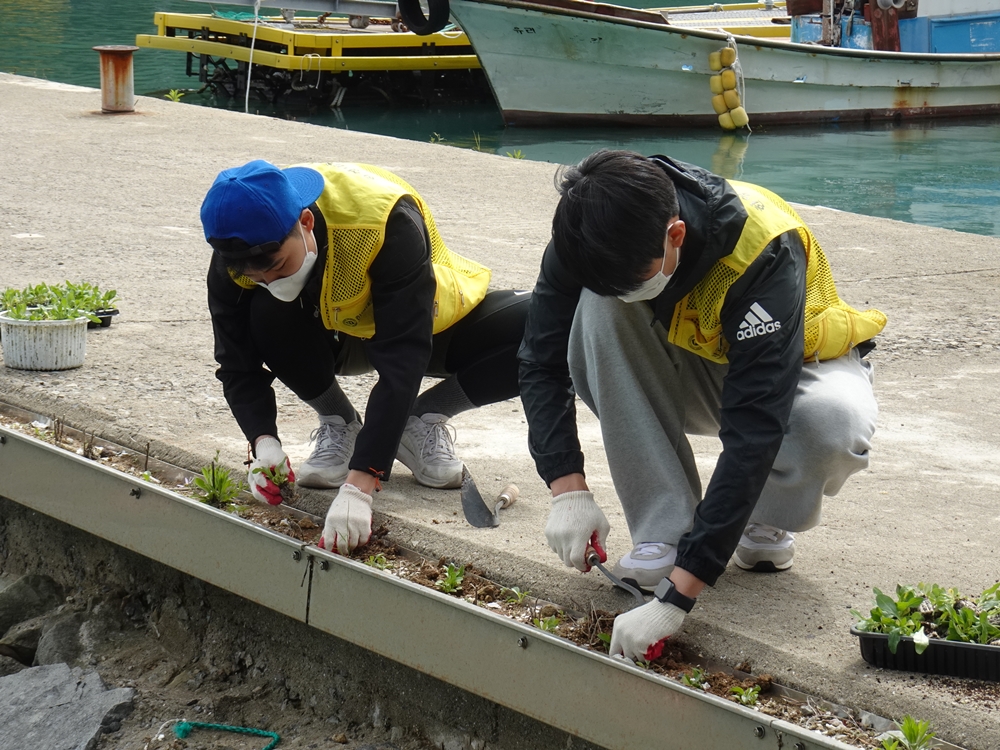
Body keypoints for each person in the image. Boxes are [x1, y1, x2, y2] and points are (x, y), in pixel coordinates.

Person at [518, 150, 885, 661]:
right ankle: (663, 533)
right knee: (600, 307)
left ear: (675, 235)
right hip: (689, 359)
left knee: (831, 425)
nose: (628, 293)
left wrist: (677, 597)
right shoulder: (587, 232)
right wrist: (566, 489)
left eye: (636, 279)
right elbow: (540, 360)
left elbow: (755, 427)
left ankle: (764, 517)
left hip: (795, 363)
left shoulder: (760, 248)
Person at [200, 159, 529, 554]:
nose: (271, 280)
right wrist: (262, 441)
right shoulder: (234, 255)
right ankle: (339, 422)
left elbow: (403, 356)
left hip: (423, 324)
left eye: (277, 265)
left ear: (305, 222)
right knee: (263, 311)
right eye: (256, 277)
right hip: (331, 336)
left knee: (548, 330)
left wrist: (362, 482)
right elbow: (235, 359)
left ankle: (418, 421)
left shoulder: (384, 221)